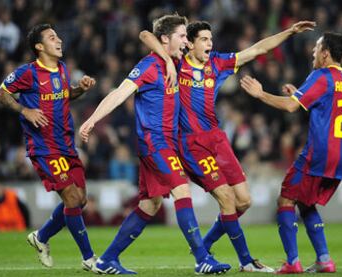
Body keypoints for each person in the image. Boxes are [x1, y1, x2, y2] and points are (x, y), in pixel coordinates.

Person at [140, 20, 315, 272]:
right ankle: (246, 261)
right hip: (192, 143)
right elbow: (146, 34)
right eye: (204, 39)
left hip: (217, 139)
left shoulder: (217, 63)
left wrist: (289, 32)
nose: (210, 44)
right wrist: (167, 60)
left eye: (211, 39)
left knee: (244, 201)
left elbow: (257, 50)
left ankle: (205, 243)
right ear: (188, 42)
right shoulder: (178, 63)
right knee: (227, 200)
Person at [79, 14, 231, 275]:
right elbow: (119, 91)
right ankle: (202, 258)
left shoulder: (176, 61)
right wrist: (92, 120)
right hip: (155, 142)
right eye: (182, 36)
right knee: (182, 190)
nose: (186, 41)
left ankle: (106, 260)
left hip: (168, 143)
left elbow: (149, 36)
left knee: (150, 205)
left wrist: (168, 60)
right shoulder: (149, 66)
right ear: (165, 39)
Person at [240, 32, 342, 274]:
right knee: (305, 201)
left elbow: (291, 107)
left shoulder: (322, 75)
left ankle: (292, 262)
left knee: (285, 198)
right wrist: (299, 95)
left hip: (319, 152)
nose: (313, 52)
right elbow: (325, 110)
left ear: (325, 53)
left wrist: (261, 94)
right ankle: (324, 260)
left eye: (317, 47)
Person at [0, 24, 97, 270]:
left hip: (66, 144)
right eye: (52, 37)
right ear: (39, 47)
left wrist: (79, 90)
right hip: (43, 147)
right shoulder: (27, 73)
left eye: (58, 36)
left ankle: (40, 237)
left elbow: (64, 95)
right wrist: (24, 110)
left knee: (80, 200)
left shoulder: (62, 68)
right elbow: (0, 93)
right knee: (72, 198)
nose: (59, 40)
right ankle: (89, 258)